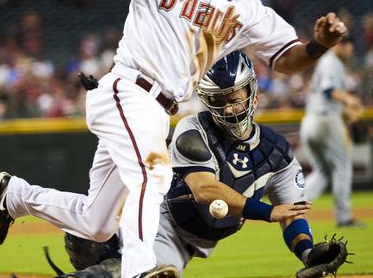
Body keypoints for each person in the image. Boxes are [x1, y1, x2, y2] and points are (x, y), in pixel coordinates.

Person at [0, 0, 347, 278]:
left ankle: (16, 195)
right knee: (153, 175)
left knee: (97, 223)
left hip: (158, 110)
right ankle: (140, 270)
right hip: (129, 90)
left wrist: (319, 46)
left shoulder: (250, 11)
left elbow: (286, 59)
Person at [48, 51, 326, 278]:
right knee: (98, 251)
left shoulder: (277, 152)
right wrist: (267, 211)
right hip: (160, 219)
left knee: (143, 272)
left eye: (235, 98)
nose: (228, 108)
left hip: (187, 243)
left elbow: (292, 214)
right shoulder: (194, 128)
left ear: (252, 94)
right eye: (219, 100)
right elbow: (203, 189)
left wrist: (307, 251)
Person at [300, 37, 365, 228]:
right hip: (325, 121)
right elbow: (329, 91)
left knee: (323, 170)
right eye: (348, 47)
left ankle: (295, 205)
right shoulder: (331, 61)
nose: (350, 51)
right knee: (342, 166)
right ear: (341, 45)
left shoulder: (327, 61)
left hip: (311, 120)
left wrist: (345, 110)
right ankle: (344, 217)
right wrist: (349, 100)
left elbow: (325, 95)